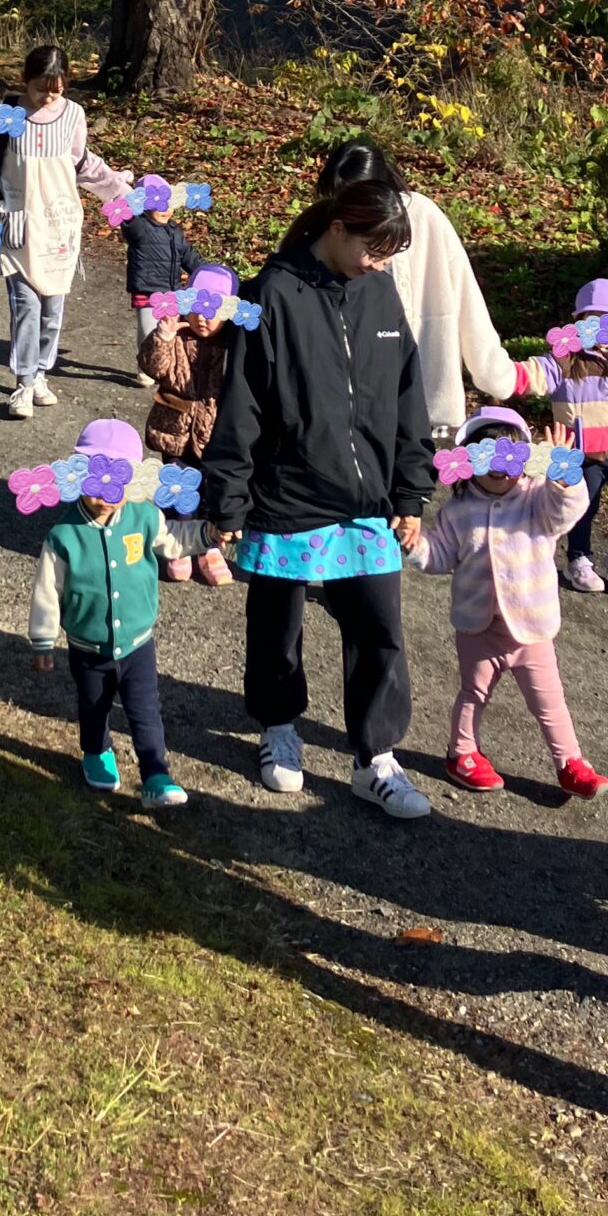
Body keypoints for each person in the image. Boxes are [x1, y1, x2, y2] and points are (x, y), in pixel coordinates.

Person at [202, 178, 435, 820]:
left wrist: (412, 489)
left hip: (367, 499)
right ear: (338, 229)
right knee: (278, 626)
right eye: (373, 248)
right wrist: (228, 497)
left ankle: (376, 758)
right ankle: (278, 728)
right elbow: (242, 403)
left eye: (389, 253)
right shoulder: (271, 292)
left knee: (379, 629)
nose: (379, 263)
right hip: (290, 494)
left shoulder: (381, 292)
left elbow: (407, 395)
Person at [407, 407, 608, 800]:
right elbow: (440, 556)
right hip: (479, 628)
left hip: (531, 628)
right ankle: (461, 752)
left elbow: (564, 513)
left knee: (549, 701)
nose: (499, 468)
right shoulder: (457, 512)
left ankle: (570, 762)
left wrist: (563, 477)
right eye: (487, 457)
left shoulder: (536, 498)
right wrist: (416, 545)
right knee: (473, 693)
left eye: (510, 457)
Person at [27, 418, 192, 806]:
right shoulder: (63, 537)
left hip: (138, 642)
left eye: (117, 479)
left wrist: (207, 536)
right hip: (87, 647)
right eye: (95, 479)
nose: (106, 494)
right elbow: (47, 591)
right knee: (93, 705)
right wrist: (42, 641)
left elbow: (173, 543)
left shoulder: (144, 517)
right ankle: (96, 751)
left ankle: (156, 773)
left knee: (145, 710)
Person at [316, 140, 516, 431]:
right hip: (357, 410)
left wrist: (496, 373)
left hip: (431, 407)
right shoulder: (333, 227)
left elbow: (465, 294)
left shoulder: (422, 214)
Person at [0, 43, 130, 421]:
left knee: (53, 309)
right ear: (25, 81)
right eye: (40, 88)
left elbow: (82, 164)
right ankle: (24, 383)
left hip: (59, 227)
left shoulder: (74, 115)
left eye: (56, 89)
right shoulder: (9, 115)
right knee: (26, 306)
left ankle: (43, 372)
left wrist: (121, 191)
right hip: (18, 226)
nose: (48, 96)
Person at [513, 277, 608, 596]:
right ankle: (579, 560)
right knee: (583, 509)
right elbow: (539, 374)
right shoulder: (568, 359)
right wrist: (508, 376)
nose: (603, 326)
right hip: (585, 455)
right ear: (581, 322)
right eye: (593, 318)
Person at [141, 260, 240, 587]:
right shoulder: (178, 334)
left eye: (214, 310)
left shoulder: (233, 344)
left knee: (211, 491)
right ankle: (177, 545)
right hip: (176, 430)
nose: (203, 317)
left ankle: (209, 548)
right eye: (196, 307)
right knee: (177, 488)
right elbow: (154, 368)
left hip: (214, 433)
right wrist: (165, 335)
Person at [120, 199, 200, 382]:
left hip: (171, 291)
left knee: (170, 331)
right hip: (147, 291)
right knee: (148, 331)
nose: (166, 210)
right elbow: (128, 221)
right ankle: (146, 368)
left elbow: (190, 257)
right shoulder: (140, 227)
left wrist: (206, 274)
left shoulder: (174, 232)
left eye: (170, 205)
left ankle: (165, 364)